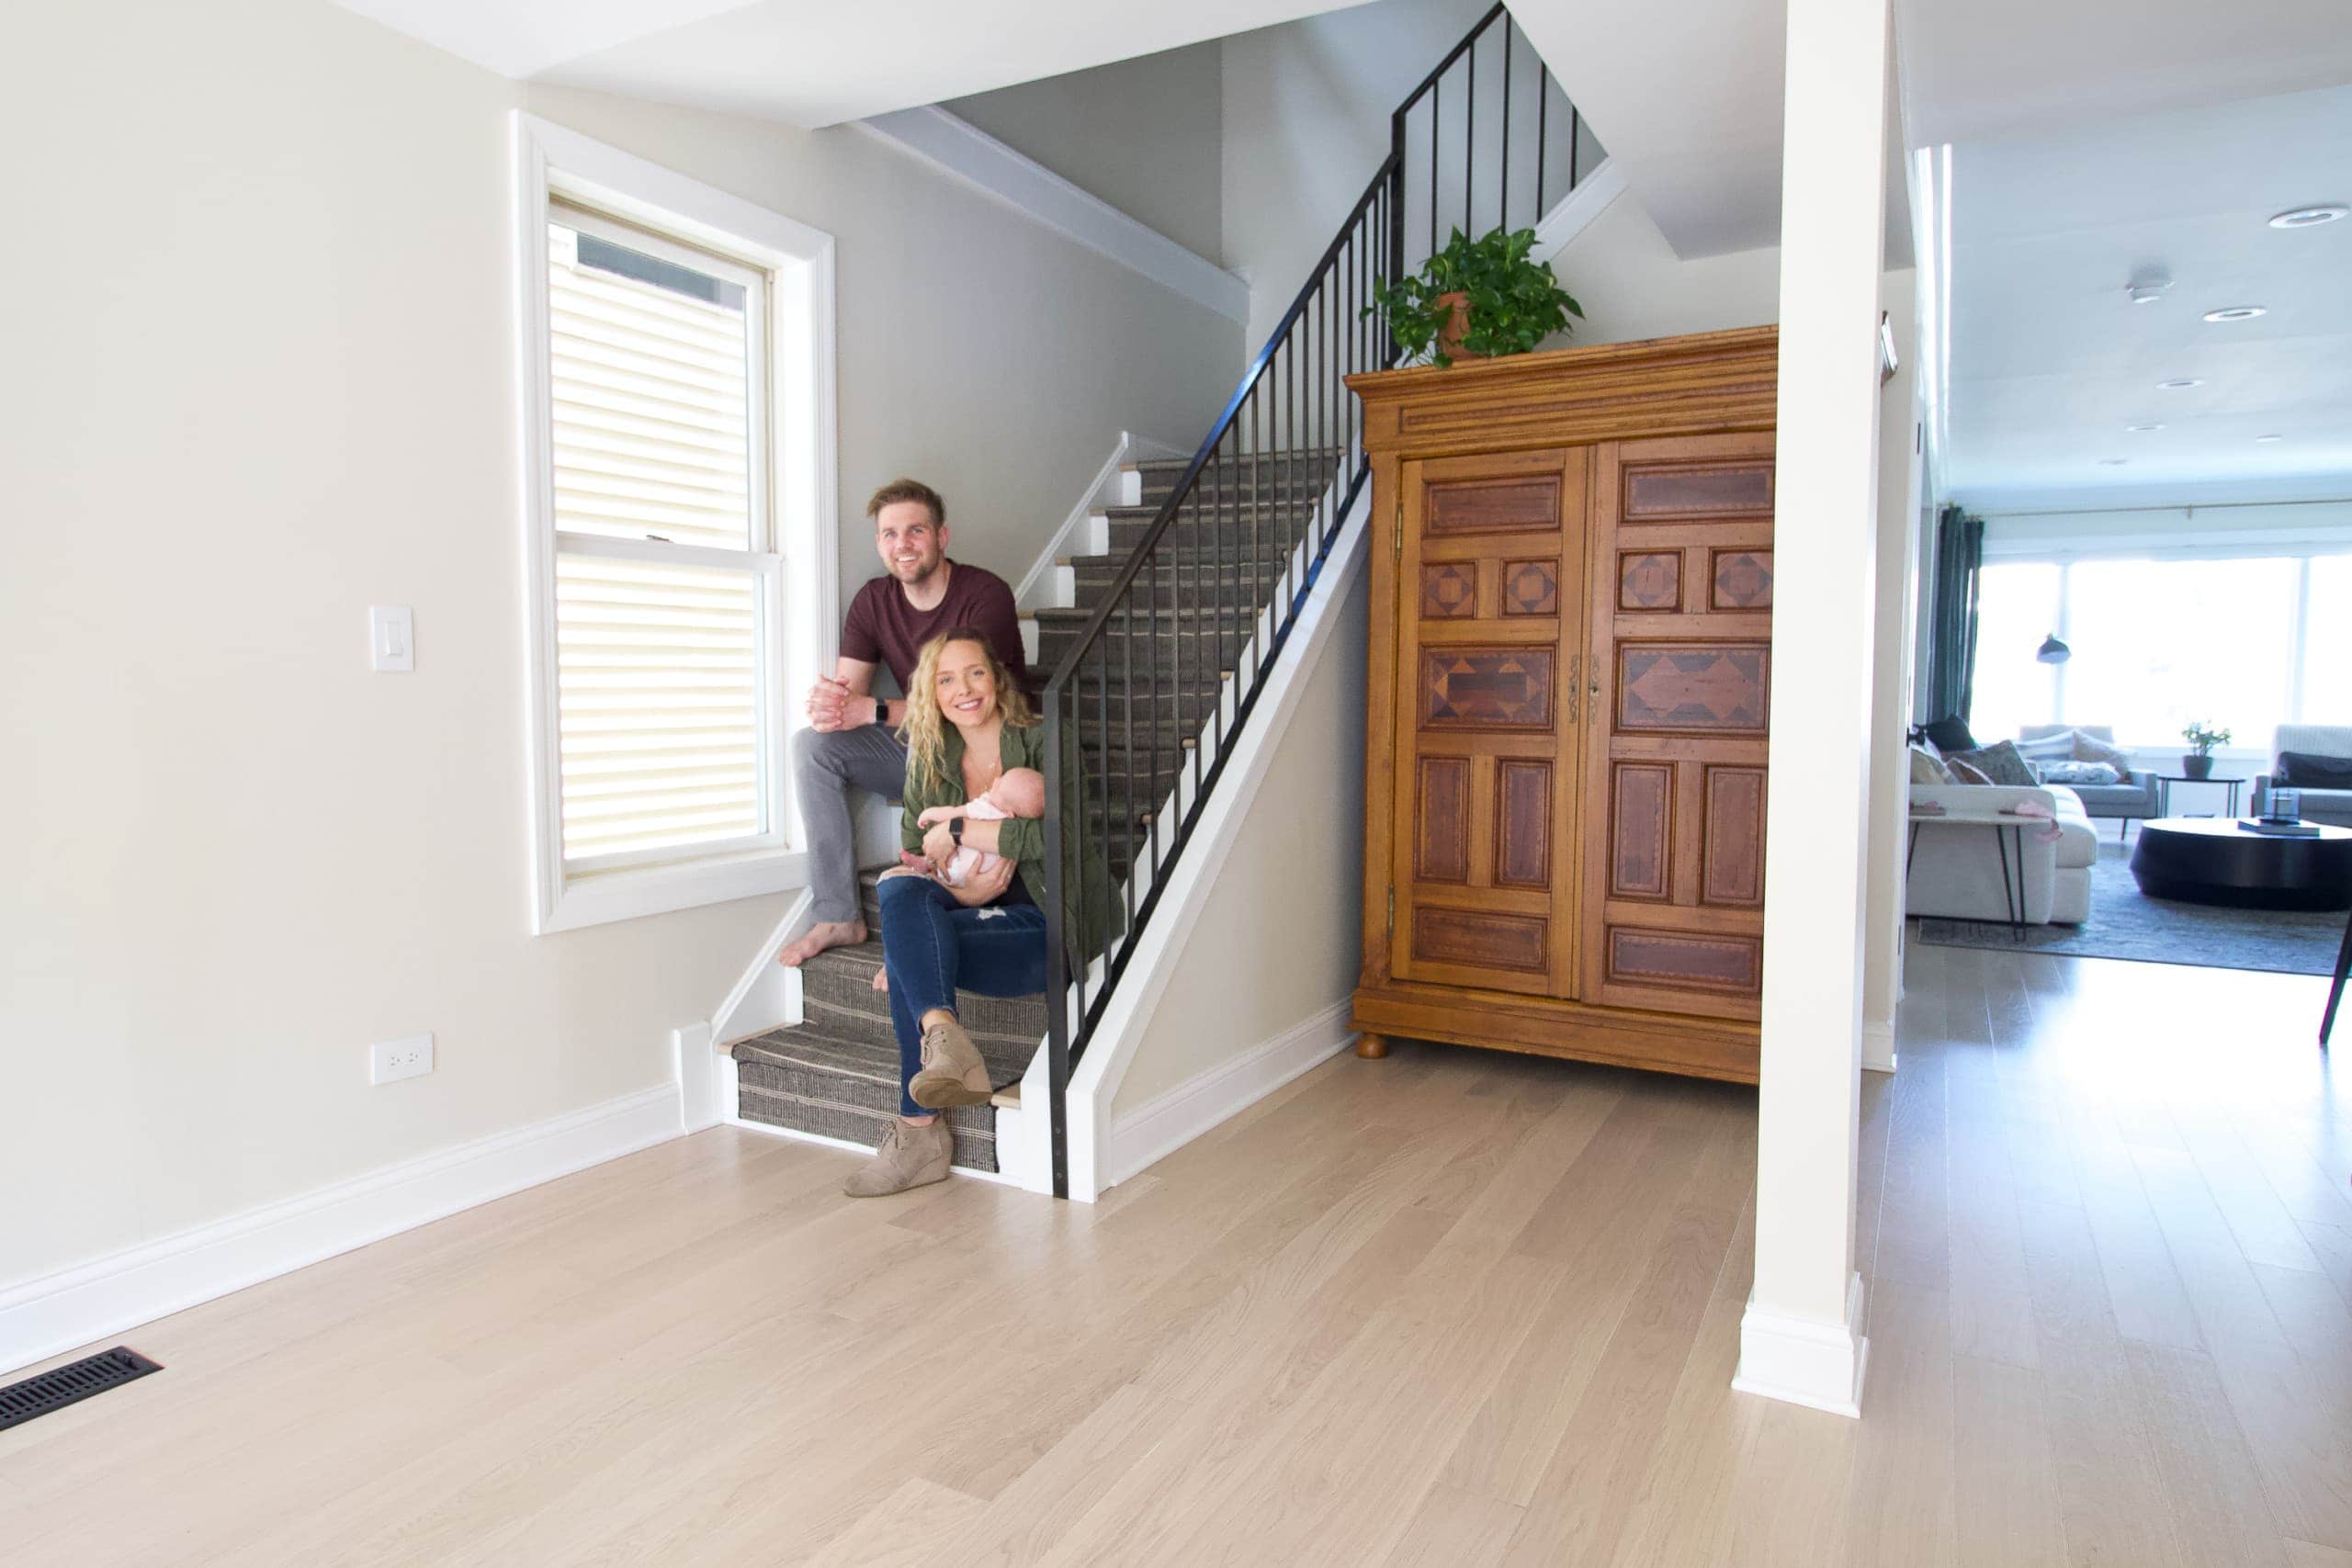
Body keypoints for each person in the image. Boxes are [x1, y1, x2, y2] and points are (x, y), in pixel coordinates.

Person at [843, 629, 1116, 1197]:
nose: (963, 689)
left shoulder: (1043, 741)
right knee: (898, 892)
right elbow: (918, 861)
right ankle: (944, 1037)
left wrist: (966, 828)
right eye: (946, 679)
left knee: (914, 968)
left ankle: (917, 1135)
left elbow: (1061, 838)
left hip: (1049, 927)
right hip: (975, 915)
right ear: (930, 693)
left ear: (996, 679)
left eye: (975, 673)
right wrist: (964, 893)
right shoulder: (930, 759)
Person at [779, 479, 1027, 968]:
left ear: (941, 536)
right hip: (925, 744)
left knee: (928, 743)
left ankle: (928, 913)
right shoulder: (873, 600)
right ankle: (839, 915)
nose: (903, 545)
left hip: (993, 752)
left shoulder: (984, 595)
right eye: (889, 534)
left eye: (915, 531)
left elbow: (971, 704)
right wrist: (830, 706)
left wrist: (871, 710)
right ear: (878, 543)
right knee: (812, 747)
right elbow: (849, 695)